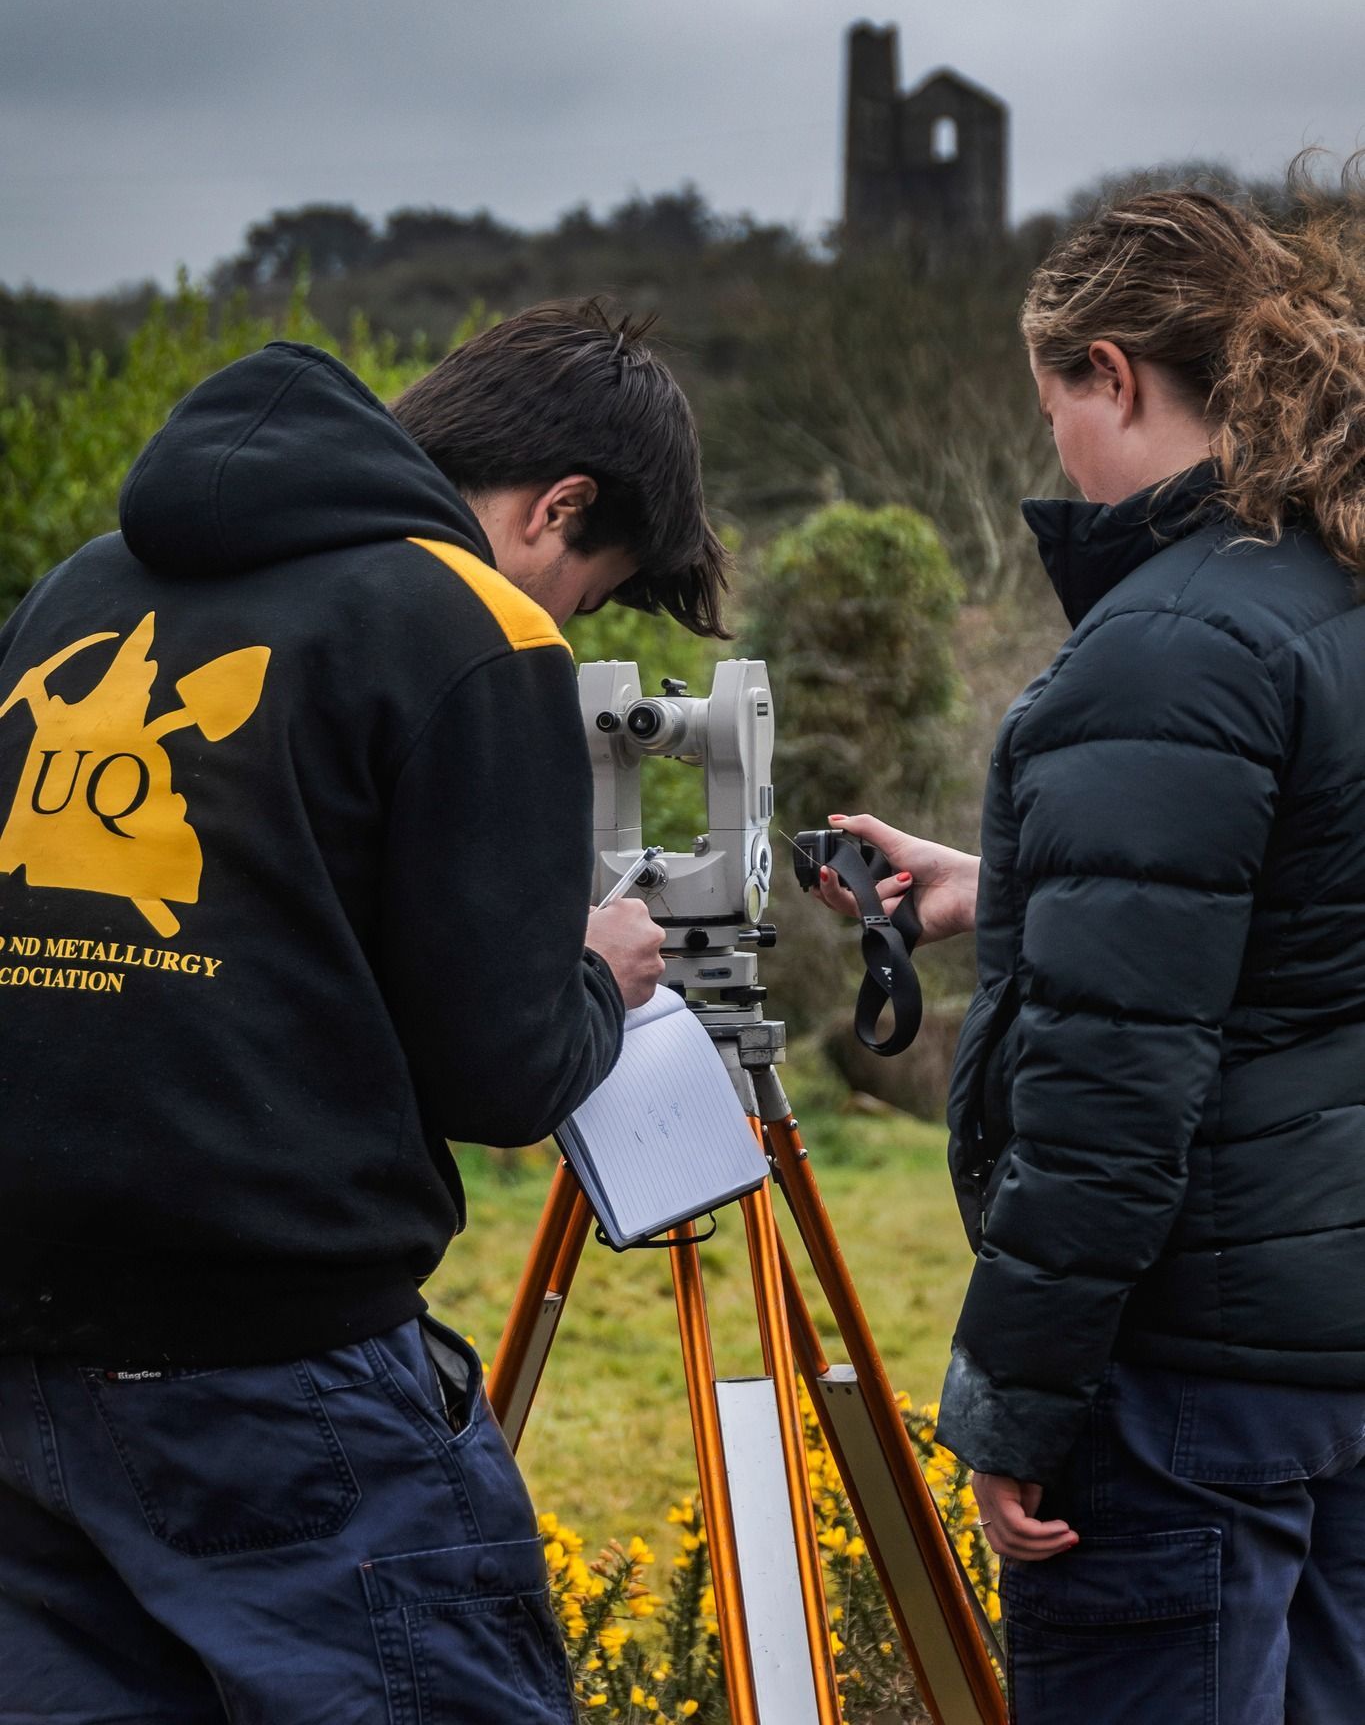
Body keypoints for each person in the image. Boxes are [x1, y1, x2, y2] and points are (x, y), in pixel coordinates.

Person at [0, 300, 724, 1722]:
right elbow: (502, 1074)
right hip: (272, 1357)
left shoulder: (81, 591)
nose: (562, 624)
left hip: (23, 1357)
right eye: (587, 593)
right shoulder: (469, 624)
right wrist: (598, 974)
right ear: (560, 507)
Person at [817, 181, 1365, 1722]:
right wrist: (1016, 889)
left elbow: (1112, 1085)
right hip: (1330, 1349)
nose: (1051, 446)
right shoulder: (1332, 590)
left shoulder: (1166, 644)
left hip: (1187, 1376)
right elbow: (1303, 919)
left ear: (1109, 375)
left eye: (1050, 402)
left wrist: (1016, 1401)